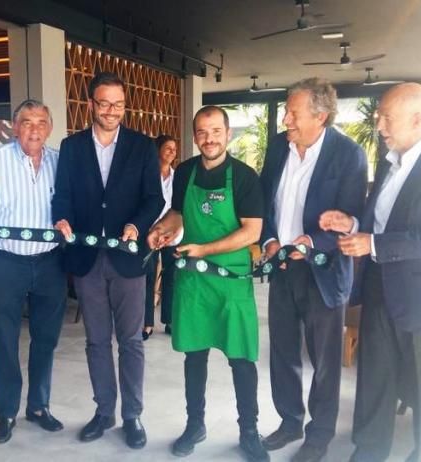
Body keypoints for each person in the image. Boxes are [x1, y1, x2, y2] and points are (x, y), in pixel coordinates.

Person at [320, 83, 421, 462]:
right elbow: (380, 221)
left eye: (388, 116)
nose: (379, 123)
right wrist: (353, 224)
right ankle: (368, 451)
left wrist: (372, 245)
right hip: (378, 288)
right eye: (378, 115)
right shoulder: (390, 160)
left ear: (418, 119)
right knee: (374, 379)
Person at [148, 106, 268, 462]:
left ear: (228, 134)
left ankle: (249, 431)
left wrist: (205, 248)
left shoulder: (245, 177)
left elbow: (252, 231)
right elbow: (178, 214)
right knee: (194, 356)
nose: (209, 138)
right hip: (194, 282)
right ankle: (195, 424)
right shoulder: (184, 172)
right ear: (195, 135)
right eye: (202, 132)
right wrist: (161, 230)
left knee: (241, 358)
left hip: (231, 282)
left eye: (216, 131)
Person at [53, 72, 164, 449]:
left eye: (118, 104)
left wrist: (136, 224)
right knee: (96, 341)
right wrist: (62, 219)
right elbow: (62, 196)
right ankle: (104, 411)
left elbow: (155, 198)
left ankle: (132, 416)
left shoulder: (141, 146)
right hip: (87, 259)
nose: (112, 111)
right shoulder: (71, 147)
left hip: (128, 259)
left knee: (130, 341)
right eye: (104, 103)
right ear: (90, 105)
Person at [259, 78, 367, 462]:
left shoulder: (348, 154)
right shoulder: (277, 147)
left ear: (320, 116)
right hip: (283, 266)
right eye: (286, 110)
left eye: (293, 112)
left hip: (323, 271)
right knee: (283, 352)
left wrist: (311, 242)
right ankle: (289, 421)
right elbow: (264, 199)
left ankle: (319, 435)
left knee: (324, 361)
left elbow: (352, 216)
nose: (286, 118)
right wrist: (270, 240)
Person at [0, 99, 66, 444]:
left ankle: (39, 406)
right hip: (6, 263)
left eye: (41, 122)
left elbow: (70, 207)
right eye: (26, 122)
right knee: (5, 341)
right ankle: (7, 412)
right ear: (15, 126)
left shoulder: (59, 162)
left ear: (49, 128)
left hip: (50, 263)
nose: (34, 129)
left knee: (46, 339)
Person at [143, 134, 181, 340]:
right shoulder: (148, 175)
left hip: (173, 235)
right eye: (167, 148)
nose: (172, 152)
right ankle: (147, 322)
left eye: (174, 149)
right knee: (148, 277)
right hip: (150, 232)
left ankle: (169, 320)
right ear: (157, 150)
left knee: (171, 276)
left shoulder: (178, 177)